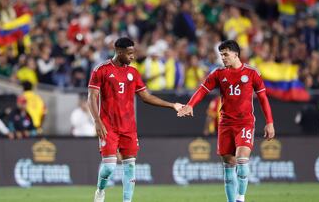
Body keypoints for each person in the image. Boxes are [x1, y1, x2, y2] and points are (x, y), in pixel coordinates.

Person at [178, 40, 275, 202]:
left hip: (244, 123)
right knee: (229, 165)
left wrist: (269, 122)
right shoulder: (218, 74)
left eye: (225, 54)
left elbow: (263, 98)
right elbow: (202, 90)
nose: (222, 58)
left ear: (236, 54)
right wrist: (190, 105)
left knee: (242, 158)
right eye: (221, 54)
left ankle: (240, 198)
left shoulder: (252, 73)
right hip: (225, 124)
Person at [88, 37, 183, 202]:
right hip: (108, 126)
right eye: (129, 53)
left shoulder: (133, 73)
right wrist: (97, 120)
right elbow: (92, 97)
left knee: (130, 166)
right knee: (109, 167)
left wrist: (172, 105)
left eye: (134, 53)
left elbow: (146, 97)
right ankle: (100, 190)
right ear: (119, 52)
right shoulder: (101, 70)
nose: (133, 57)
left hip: (129, 127)